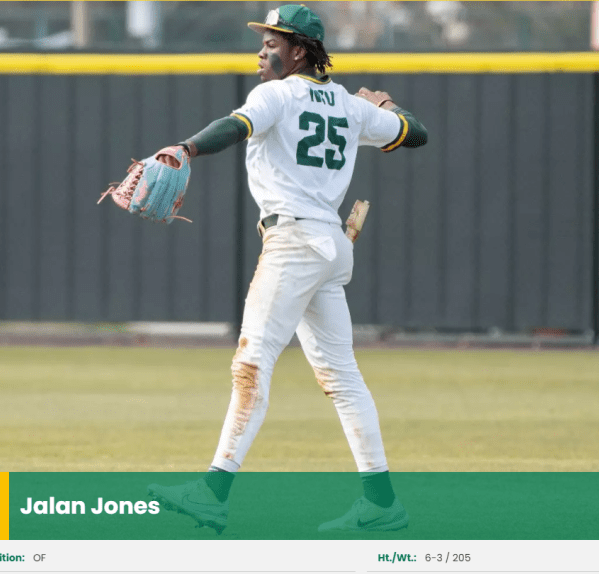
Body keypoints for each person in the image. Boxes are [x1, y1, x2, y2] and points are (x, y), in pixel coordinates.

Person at [148, 4, 427, 533]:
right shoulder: (351, 105)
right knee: (341, 377)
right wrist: (385, 104)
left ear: (299, 50)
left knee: (251, 364)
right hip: (330, 245)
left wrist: (186, 148)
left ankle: (212, 492)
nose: (261, 51)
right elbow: (417, 133)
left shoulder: (276, 94)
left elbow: (234, 127)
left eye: (272, 43)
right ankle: (381, 502)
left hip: (294, 242)